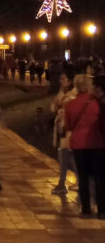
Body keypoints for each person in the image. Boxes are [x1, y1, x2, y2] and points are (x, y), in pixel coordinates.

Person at [65, 75, 105, 218]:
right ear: (88, 86)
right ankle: (102, 211)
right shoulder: (97, 104)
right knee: (100, 177)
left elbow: (68, 126)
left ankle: (86, 209)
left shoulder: (70, 105)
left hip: (79, 145)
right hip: (97, 143)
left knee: (83, 177)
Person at [50, 69, 78, 194]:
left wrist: (59, 106)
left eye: (63, 79)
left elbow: (66, 107)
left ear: (70, 81)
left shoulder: (74, 94)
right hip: (61, 127)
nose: (61, 81)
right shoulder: (61, 92)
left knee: (64, 156)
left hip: (69, 129)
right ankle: (79, 181)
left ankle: (62, 184)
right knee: (68, 157)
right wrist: (58, 106)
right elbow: (53, 106)